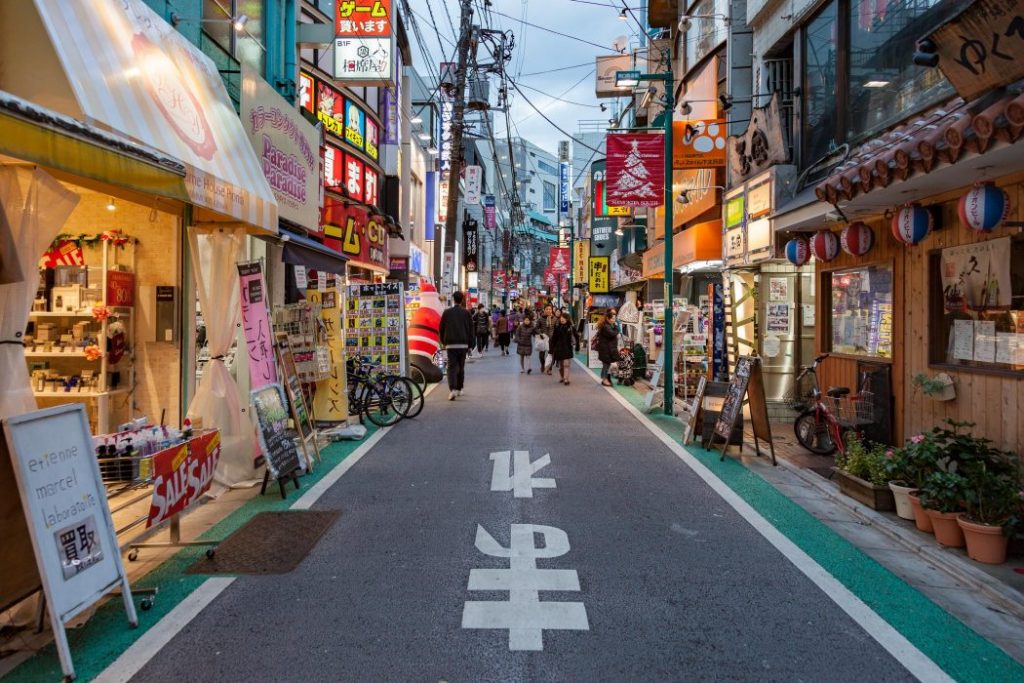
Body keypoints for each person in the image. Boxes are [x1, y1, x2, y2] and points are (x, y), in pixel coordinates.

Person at [438, 290, 474, 400]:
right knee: (461, 367)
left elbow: (441, 328)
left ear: (453, 300)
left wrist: (443, 342)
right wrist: (471, 344)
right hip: (463, 344)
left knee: (451, 367)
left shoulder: (447, 313)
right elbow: (470, 329)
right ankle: (459, 388)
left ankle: (452, 389)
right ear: (462, 299)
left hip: (450, 344)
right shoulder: (466, 313)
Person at [550, 310, 578, 385]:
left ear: (567, 319)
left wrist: (577, 347)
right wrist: (551, 349)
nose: (562, 319)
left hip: (568, 348)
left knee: (566, 364)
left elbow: (576, 337)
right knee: (561, 366)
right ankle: (562, 377)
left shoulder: (571, 328)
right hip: (558, 349)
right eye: (561, 318)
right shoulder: (557, 328)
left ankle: (566, 379)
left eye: (564, 318)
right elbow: (553, 339)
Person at [596, 310, 620, 387]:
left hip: (607, 349)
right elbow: (612, 333)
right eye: (612, 319)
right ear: (608, 318)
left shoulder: (608, 325)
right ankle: (604, 379)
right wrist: (616, 327)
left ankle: (605, 379)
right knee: (606, 364)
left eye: (614, 318)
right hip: (606, 349)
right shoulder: (606, 326)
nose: (614, 320)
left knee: (606, 364)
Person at [534, 303, 556, 375]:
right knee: (541, 355)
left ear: (552, 310)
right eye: (547, 309)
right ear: (544, 310)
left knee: (551, 355)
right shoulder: (540, 319)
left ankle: (549, 369)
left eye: (550, 309)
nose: (548, 310)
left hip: (552, 339)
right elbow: (536, 328)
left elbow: (557, 328)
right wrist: (540, 333)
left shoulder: (555, 319)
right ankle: (543, 365)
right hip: (543, 339)